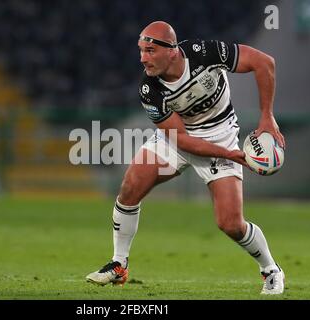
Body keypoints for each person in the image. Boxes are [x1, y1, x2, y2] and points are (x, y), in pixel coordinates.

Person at [86, 21, 286, 294]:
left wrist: (267, 117)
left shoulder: (205, 53)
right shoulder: (150, 89)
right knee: (130, 187)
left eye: (150, 51)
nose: (143, 58)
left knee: (230, 224)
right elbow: (180, 139)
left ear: (172, 51)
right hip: (179, 137)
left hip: (220, 133)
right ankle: (118, 265)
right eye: (141, 51)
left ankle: (271, 270)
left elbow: (264, 63)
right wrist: (230, 155)